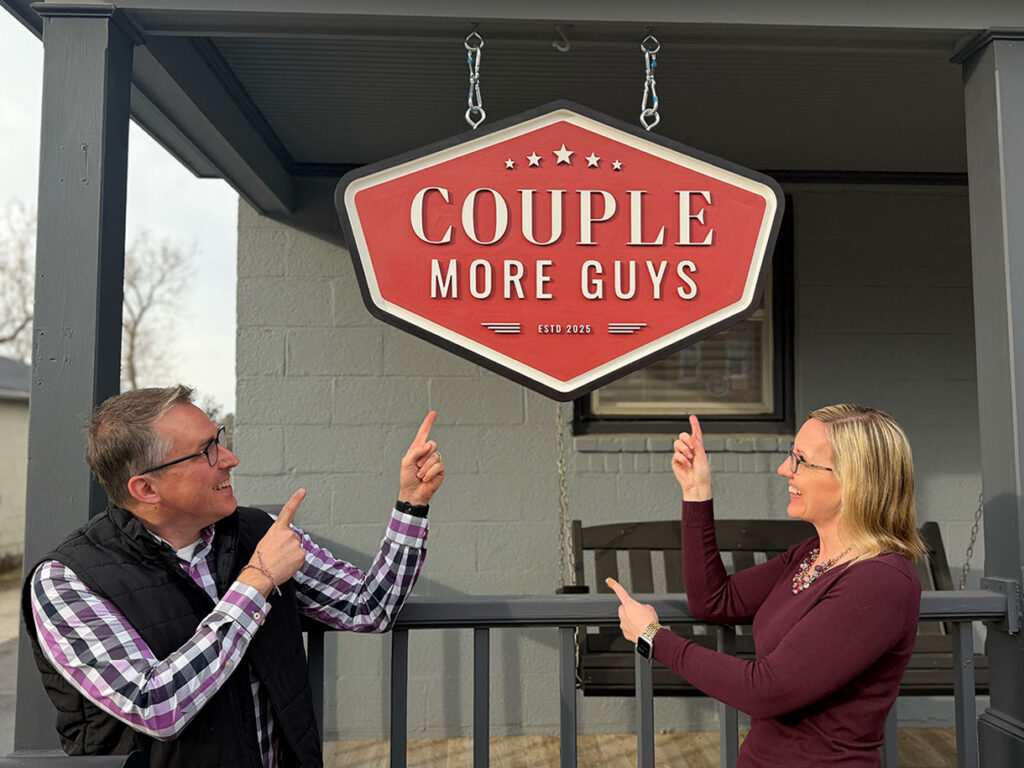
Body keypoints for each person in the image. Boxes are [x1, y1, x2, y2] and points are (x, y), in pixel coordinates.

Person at [22, 385, 445, 768]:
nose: (230, 459)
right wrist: (257, 581)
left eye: (219, 439)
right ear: (146, 489)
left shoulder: (258, 533)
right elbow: (155, 705)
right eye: (206, 451)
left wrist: (411, 503)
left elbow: (368, 606)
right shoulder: (67, 580)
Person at [608, 405, 925, 767]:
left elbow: (767, 689)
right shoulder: (810, 554)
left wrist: (653, 636)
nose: (784, 469)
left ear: (854, 481)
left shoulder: (880, 581)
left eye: (801, 460)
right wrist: (697, 491)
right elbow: (715, 600)